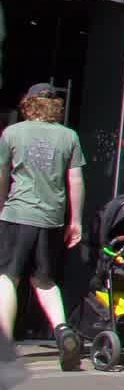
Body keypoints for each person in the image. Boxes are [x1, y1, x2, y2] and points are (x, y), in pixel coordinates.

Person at [0, 83, 85, 371]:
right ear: (55, 106)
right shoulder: (69, 136)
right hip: (51, 218)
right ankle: (63, 331)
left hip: (17, 214)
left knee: (7, 276)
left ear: (29, 103)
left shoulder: (12, 133)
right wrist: (75, 220)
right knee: (44, 280)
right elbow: (75, 181)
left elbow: (2, 175)